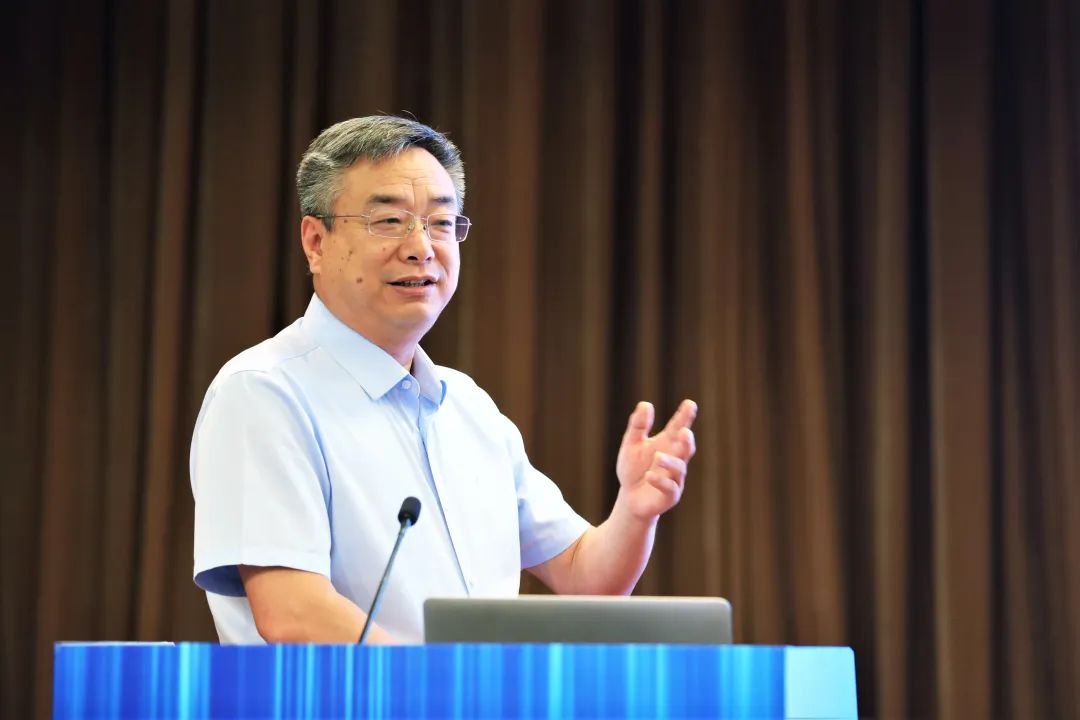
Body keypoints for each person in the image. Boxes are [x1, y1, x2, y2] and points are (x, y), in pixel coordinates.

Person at [190, 116, 698, 644]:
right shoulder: (263, 392)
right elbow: (294, 613)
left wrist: (634, 512)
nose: (421, 246)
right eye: (389, 221)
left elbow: (584, 576)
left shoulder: (468, 408)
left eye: (440, 222)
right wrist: (447, 684)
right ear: (316, 241)